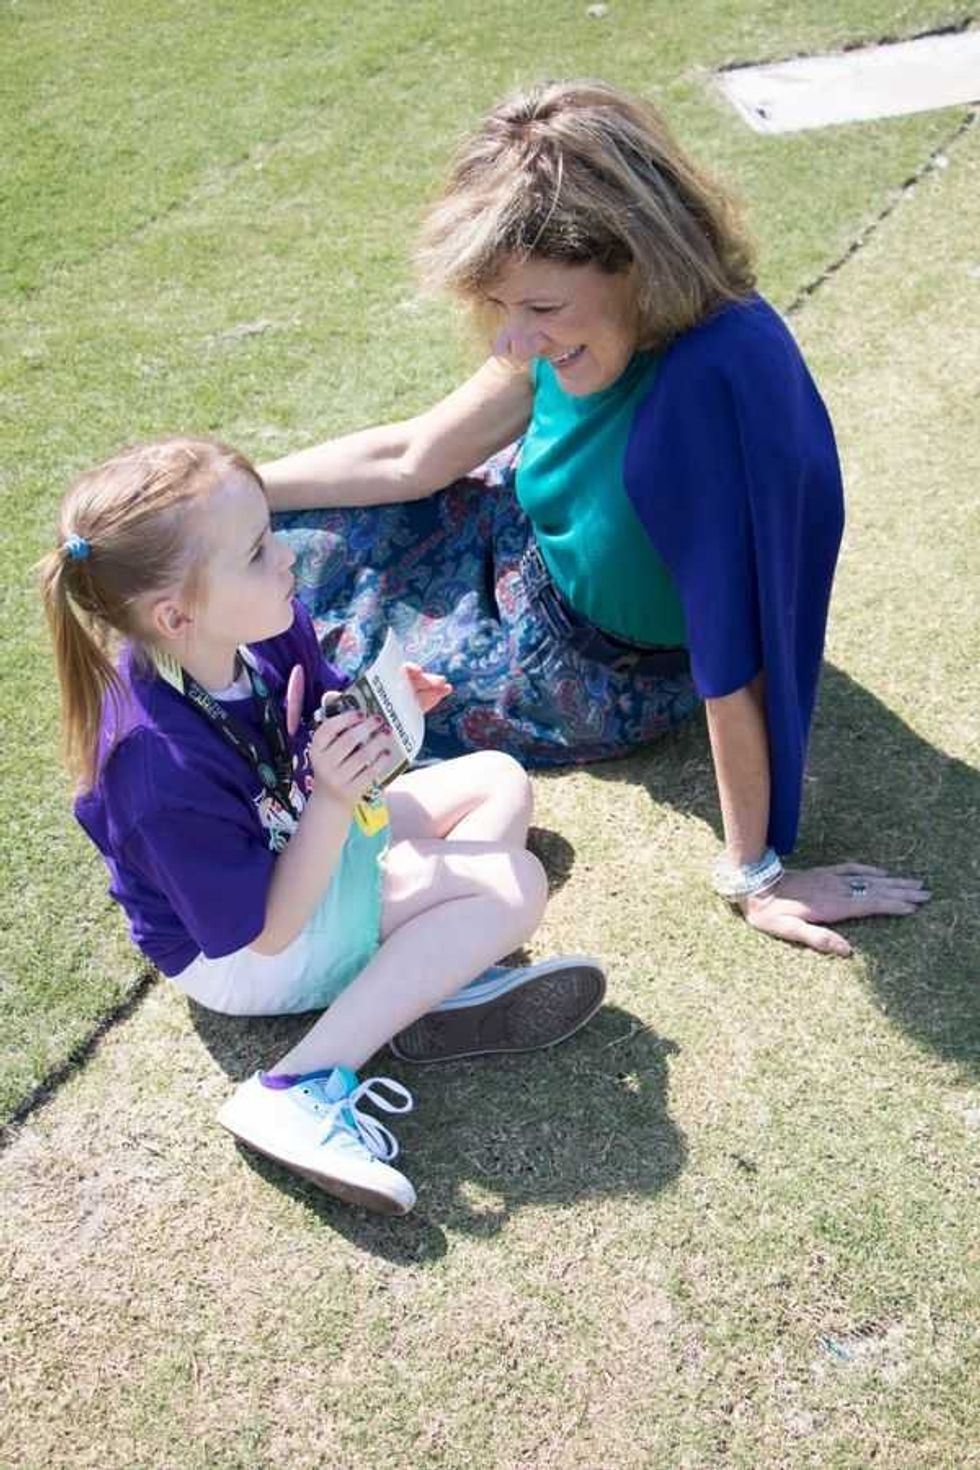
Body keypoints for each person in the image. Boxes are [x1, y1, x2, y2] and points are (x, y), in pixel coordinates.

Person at [260, 78, 929, 958]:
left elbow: (736, 670)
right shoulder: (579, 326)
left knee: (322, 681)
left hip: (585, 668)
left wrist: (755, 873)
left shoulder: (700, 404)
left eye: (538, 309)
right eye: (502, 308)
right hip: (516, 536)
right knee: (271, 549)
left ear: (640, 265)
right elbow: (415, 457)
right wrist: (225, 492)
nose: (511, 340)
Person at [39, 436, 606, 1215]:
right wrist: (335, 804)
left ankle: (415, 982)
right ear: (177, 615)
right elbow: (264, 934)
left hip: (304, 843)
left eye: (270, 533)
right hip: (244, 949)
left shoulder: (263, 628)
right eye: (256, 551)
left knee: (500, 783)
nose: (287, 559)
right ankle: (296, 1086)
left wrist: (379, 712)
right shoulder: (150, 763)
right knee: (512, 882)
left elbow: (320, 710)